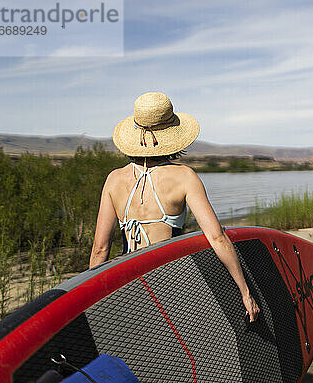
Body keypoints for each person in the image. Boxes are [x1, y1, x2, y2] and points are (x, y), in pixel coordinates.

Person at [89, 92, 259, 322]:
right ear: (171, 135)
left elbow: (100, 249)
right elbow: (217, 237)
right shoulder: (184, 177)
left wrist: (90, 302)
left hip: (128, 282)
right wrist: (245, 292)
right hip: (169, 283)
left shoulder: (114, 179)